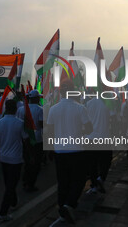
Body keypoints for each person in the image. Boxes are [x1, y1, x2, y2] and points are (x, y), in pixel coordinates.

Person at [47, 80, 93, 224]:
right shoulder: (80, 108)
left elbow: (49, 131)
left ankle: (62, 208)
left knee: (63, 181)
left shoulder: (53, 109)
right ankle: (69, 204)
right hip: (76, 150)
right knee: (78, 180)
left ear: (61, 92)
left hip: (60, 150)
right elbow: (89, 128)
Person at [0, 99, 29, 221]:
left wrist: (0, 153)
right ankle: (3, 212)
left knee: (9, 183)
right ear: (15, 109)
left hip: (4, 158)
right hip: (15, 159)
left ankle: (13, 202)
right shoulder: (20, 123)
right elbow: (26, 140)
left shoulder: (0, 122)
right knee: (10, 185)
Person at [86, 97, 116, 194]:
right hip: (104, 137)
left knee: (92, 164)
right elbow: (113, 118)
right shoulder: (108, 103)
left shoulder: (88, 103)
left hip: (90, 138)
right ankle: (101, 178)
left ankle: (94, 185)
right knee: (106, 161)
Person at [16, 89, 43, 192]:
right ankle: (30, 183)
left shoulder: (21, 109)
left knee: (27, 161)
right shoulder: (40, 110)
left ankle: (26, 181)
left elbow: (18, 124)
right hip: (36, 140)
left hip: (24, 140)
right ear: (36, 98)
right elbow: (42, 125)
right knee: (36, 163)